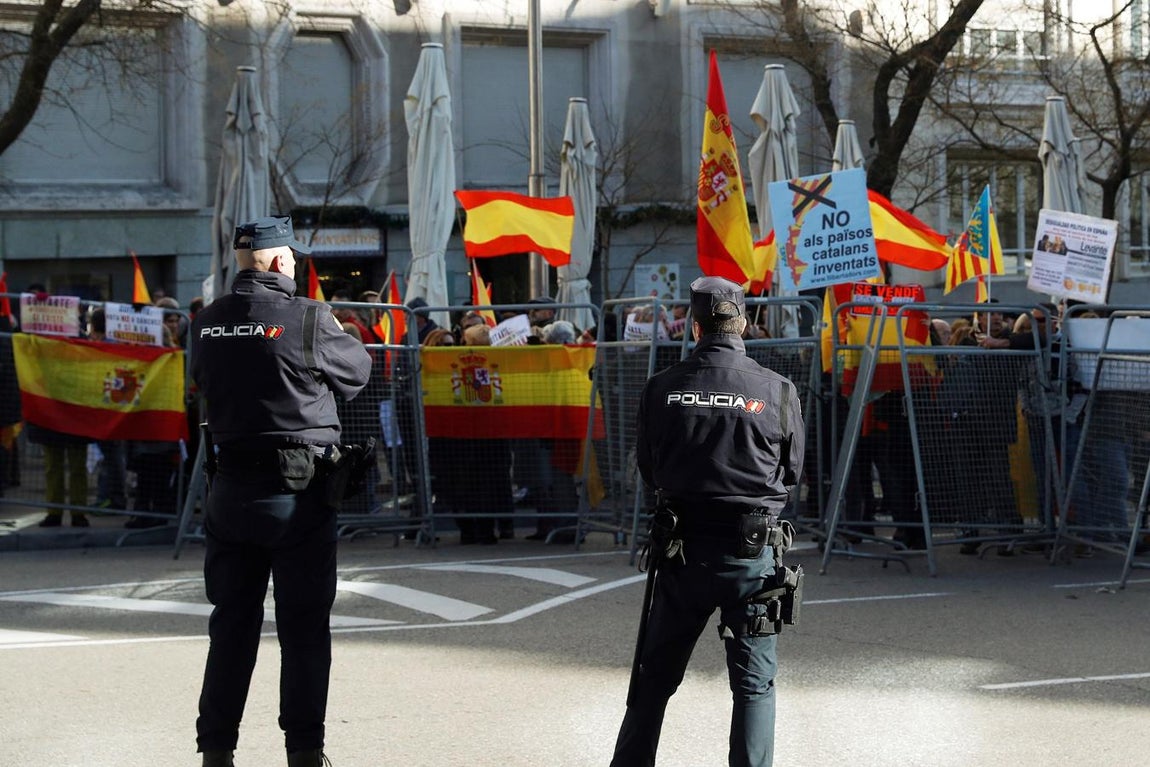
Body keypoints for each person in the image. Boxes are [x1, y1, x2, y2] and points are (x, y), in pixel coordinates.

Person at [190, 215, 372, 767]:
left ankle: (216, 752)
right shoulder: (310, 317)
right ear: (273, 261)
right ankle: (304, 753)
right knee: (304, 632)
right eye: (291, 259)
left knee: (231, 630)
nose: (295, 267)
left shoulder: (205, 322)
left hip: (230, 492)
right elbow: (357, 373)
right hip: (300, 497)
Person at [611, 276, 805, 767]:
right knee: (754, 686)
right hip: (752, 555)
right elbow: (794, 471)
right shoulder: (778, 390)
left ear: (695, 327)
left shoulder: (662, 388)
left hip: (682, 553)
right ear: (741, 324)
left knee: (653, 678)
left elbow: (648, 468)